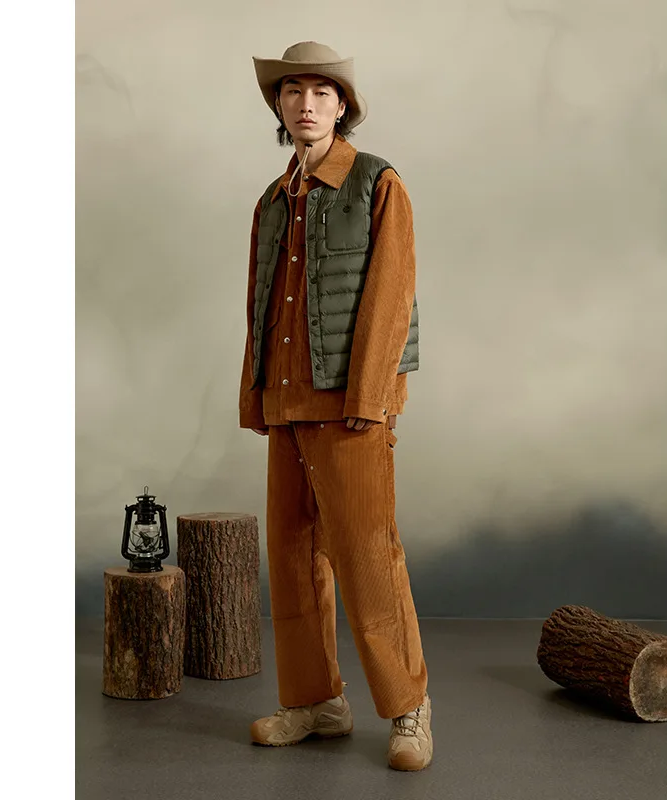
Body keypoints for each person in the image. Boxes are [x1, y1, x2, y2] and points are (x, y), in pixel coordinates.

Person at [238, 41, 432, 771]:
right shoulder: (271, 200)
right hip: (285, 401)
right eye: (293, 91)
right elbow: (259, 304)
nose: (307, 103)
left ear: (342, 106)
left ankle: (409, 707)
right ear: (279, 105)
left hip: (351, 405)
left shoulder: (378, 182)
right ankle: (316, 702)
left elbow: (392, 294)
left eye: (322, 92)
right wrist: (255, 393)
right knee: (291, 558)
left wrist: (372, 397)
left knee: (368, 557)